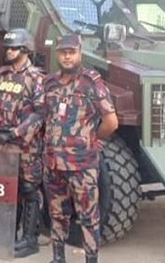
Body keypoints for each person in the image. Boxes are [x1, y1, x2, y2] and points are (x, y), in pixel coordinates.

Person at [39, 34, 118, 263]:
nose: (67, 57)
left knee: (88, 217)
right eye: (63, 52)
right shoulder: (49, 83)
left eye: (71, 52)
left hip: (82, 165)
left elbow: (111, 122)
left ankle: (91, 259)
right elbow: (45, 118)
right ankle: (58, 257)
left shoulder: (91, 82)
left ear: (80, 54)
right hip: (54, 164)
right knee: (57, 214)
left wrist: (92, 139)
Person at [0, 28, 45, 258]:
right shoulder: (4, 74)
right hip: (2, 141)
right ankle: (9, 230)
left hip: (25, 145)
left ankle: (30, 239)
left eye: (14, 48)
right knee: (9, 186)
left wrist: (15, 133)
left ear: (25, 50)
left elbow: (39, 114)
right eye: (8, 48)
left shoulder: (36, 77)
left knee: (29, 189)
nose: (9, 51)